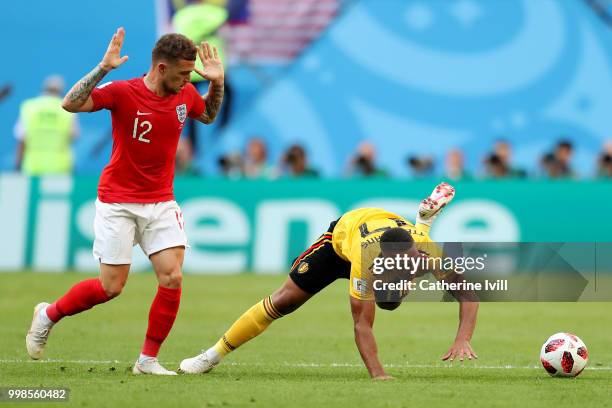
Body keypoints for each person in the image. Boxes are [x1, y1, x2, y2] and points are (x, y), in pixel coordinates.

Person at [25, 28, 225, 375]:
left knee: (172, 277)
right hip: (118, 201)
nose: (185, 81)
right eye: (181, 74)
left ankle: (147, 360)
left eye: (189, 75)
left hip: (161, 201)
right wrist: (103, 69)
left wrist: (217, 83)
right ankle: (48, 314)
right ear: (161, 68)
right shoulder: (123, 92)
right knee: (110, 287)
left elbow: (207, 116)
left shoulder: (186, 93)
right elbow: (69, 103)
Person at [180, 182, 479, 379]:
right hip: (341, 240)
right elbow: (362, 322)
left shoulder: (430, 255)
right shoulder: (366, 260)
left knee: (388, 304)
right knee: (284, 301)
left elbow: (468, 295)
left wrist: (463, 337)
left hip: (393, 233)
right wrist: (378, 374)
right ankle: (211, 355)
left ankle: (423, 223)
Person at [14, 75, 79, 175]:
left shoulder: (29, 107)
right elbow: (74, 136)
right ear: (61, 91)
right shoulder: (68, 109)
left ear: (44, 89)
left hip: (32, 167)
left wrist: (17, 166)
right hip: (60, 168)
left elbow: (22, 139)